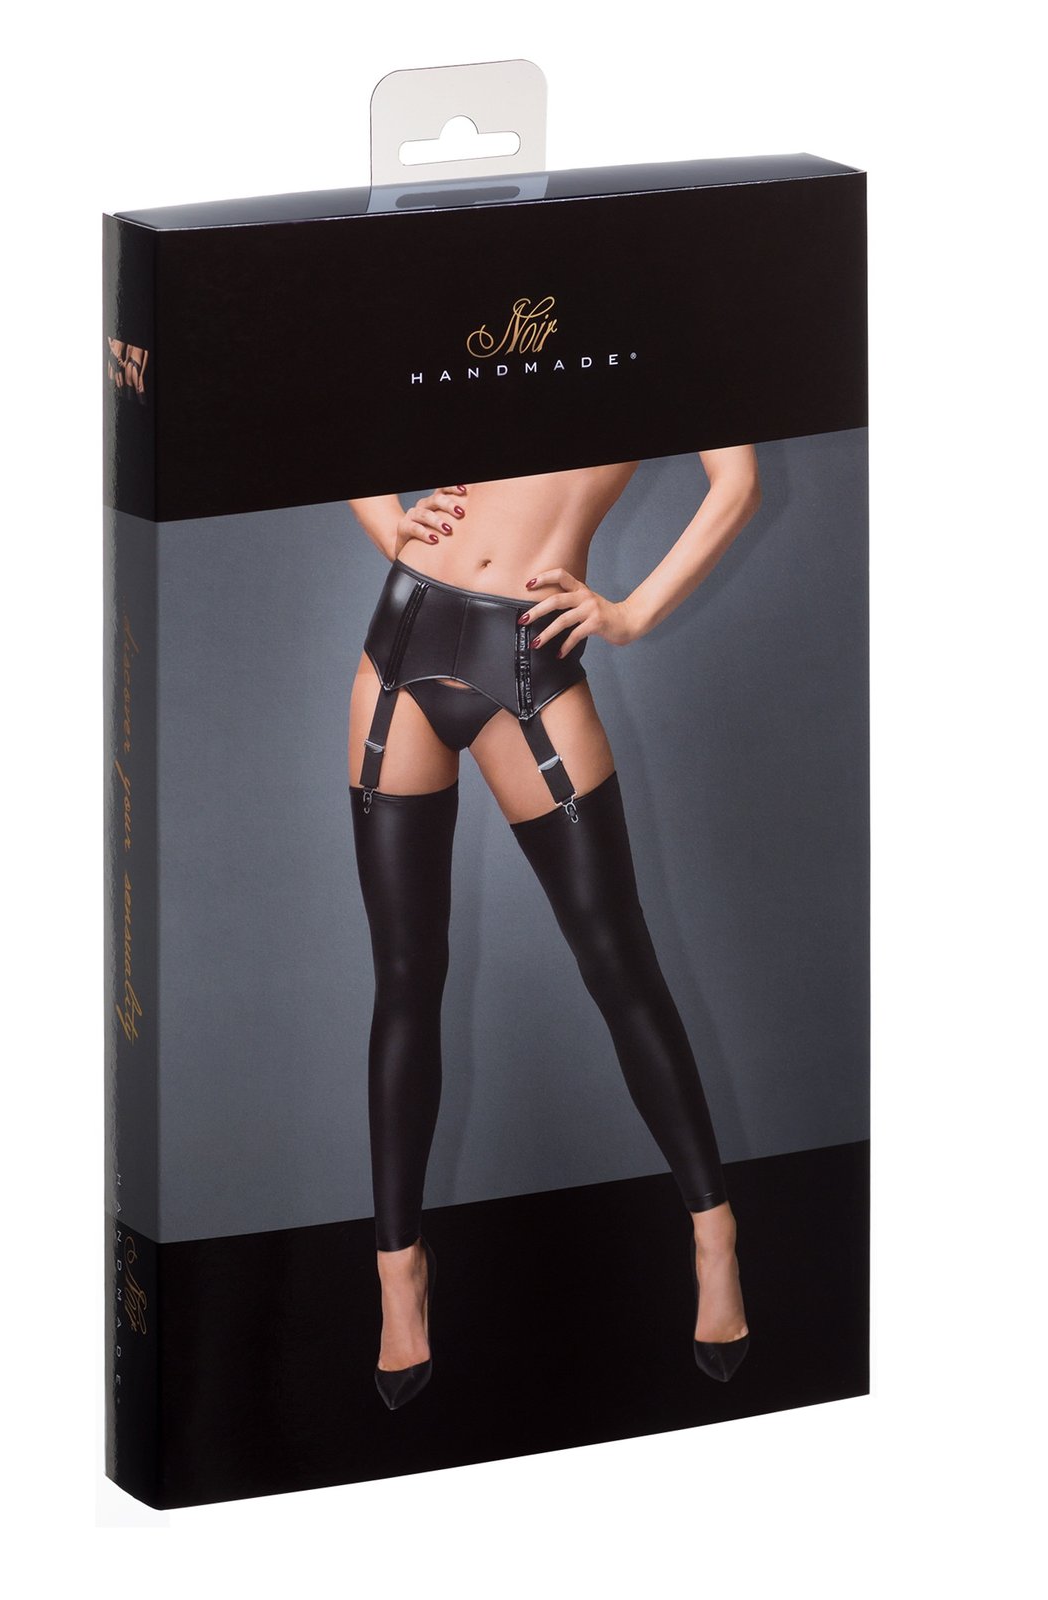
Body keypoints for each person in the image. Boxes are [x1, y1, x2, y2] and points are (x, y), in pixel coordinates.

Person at [347, 451, 761, 1408]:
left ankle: (714, 1237)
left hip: (528, 654)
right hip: (401, 636)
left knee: (618, 962)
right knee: (405, 975)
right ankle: (399, 1275)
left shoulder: (667, 356)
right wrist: (386, 522)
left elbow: (738, 483)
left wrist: (633, 613)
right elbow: (324, 415)